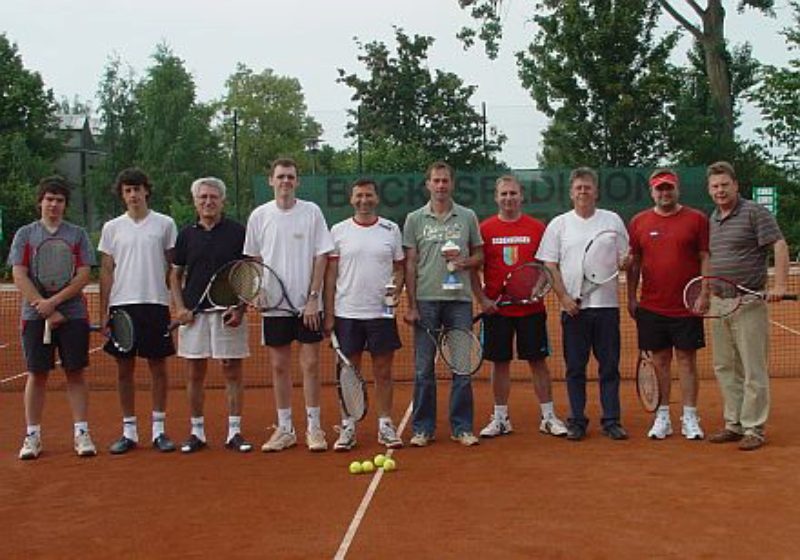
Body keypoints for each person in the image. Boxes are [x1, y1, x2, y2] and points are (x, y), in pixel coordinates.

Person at [244, 158, 334, 452]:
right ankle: (285, 429)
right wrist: (257, 290)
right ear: (271, 180)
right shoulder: (259, 216)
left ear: (297, 181)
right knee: (279, 366)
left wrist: (312, 298)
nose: (285, 181)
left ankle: (314, 428)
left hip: (307, 305)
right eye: (280, 176)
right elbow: (254, 260)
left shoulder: (311, 213)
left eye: (290, 177)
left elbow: (321, 256)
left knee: (310, 365)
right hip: (274, 306)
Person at [536, 167, 629, 442]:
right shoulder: (559, 225)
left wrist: (626, 263)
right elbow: (550, 265)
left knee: (609, 366)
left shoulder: (612, 221)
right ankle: (577, 420)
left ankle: (611, 420)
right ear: (571, 192)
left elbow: (626, 257)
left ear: (596, 191)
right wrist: (563, 297)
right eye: (578, 188)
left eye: (587, 187)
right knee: (575, 368)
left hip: (607, 308)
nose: (583, 191)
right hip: (573, 309)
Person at [473, 175, 568, 439]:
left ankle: (548, 417)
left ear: (521, 196)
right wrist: (483, 300)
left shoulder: (538, 228)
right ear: (496, 198)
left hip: (531, 311)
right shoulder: (485, 229)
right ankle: (501, 418)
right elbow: (474, 269)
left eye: (513, 193)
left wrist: (538, 289)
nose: (508, 199)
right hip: (497, 310)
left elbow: (546, 266)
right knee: (499, 364)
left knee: (538, 362)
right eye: (503, 194)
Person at [9, 177, 97, 459]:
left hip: (73, 314)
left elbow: (84, 274)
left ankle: (82, 433)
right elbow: (19, 273)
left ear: (65, 205)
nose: (54, 204)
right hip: (34, 316)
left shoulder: (77, 234)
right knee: (37, 373)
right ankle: (32, 435)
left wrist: (55, 303)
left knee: (75, 372)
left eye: (59, 200)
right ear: (40, 202)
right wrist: (41, 304)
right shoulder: (26, 234)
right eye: (49, 199)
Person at [705, 161, 790, 451]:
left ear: (735, 185)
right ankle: (734, 424)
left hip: (749, 301)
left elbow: (779, 245)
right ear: (709, 190)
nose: (720, 190)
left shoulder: (754, 211)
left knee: (753, 368)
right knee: (725, 366)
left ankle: (754, 427)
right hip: (719, 304)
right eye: (715, 186)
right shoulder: (712, 219)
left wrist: (780, 285)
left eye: (724, 185)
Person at [403, 161, 484, 447]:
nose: (440, 186)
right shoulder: (414, 219)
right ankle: (422, 428)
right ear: (427, 184)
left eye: (445, 181)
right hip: (425, 301)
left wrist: (466, 261)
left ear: (452, 184)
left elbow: (479, 256)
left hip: (459, 301)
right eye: (435, 181)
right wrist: (411, 305)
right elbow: (410, 265)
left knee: (461, 367)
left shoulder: (467, 216)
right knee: (423, 368)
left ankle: (462, 427)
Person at [169, 177, 252, 453]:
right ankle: (197, 432)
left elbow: (247, 274)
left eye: (213, 197)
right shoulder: (185, 235)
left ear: (222, 201)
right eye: (203, 197)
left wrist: (240, 309)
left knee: (232, 370)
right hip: (194, 315)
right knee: (194, 373)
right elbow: (175, 275)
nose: (208, 202)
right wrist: (179, 308)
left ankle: (235, 432)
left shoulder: (238, 232)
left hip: (228, 314)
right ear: (195, 201)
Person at [99, 168, 178, 454]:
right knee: (124, 369)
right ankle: (129, 431)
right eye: (127, 190)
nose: (133, 195)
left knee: (158, 368)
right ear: (122, 195)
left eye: (137, 189)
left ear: (147, 191)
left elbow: (174, 269)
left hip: (155, 305)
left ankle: (159, 429)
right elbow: (107, 271)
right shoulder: (112, 228)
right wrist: (103, 311)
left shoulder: (165, 224)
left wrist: (175, 303)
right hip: (122, 306)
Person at [323, 178, 406, 451]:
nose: (364, 200)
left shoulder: (391, 229)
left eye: (368, 195)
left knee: (383, 371)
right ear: (351, 200)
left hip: (381, 313)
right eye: (359, 196)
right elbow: (331, 274)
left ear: (376, 198)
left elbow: (400, 267)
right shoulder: (338, 231)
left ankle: (385, 424)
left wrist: (397, 290)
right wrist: (330, 312)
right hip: (347, 313)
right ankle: (348, 426)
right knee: (349, 373)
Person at [627, 169, 709, 440]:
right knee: (660, 361)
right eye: (659, 189)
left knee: (687, 361)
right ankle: (662, 416)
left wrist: (704, 292)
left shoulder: (697, 219)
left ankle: (690, 416)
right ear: (652, 192)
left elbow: (705, 257)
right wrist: (630, 296)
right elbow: (634, 263)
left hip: (687, 306)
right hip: (652, 307)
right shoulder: (639, 222)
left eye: (669, 188)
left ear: (677, 190)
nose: (665, 193)